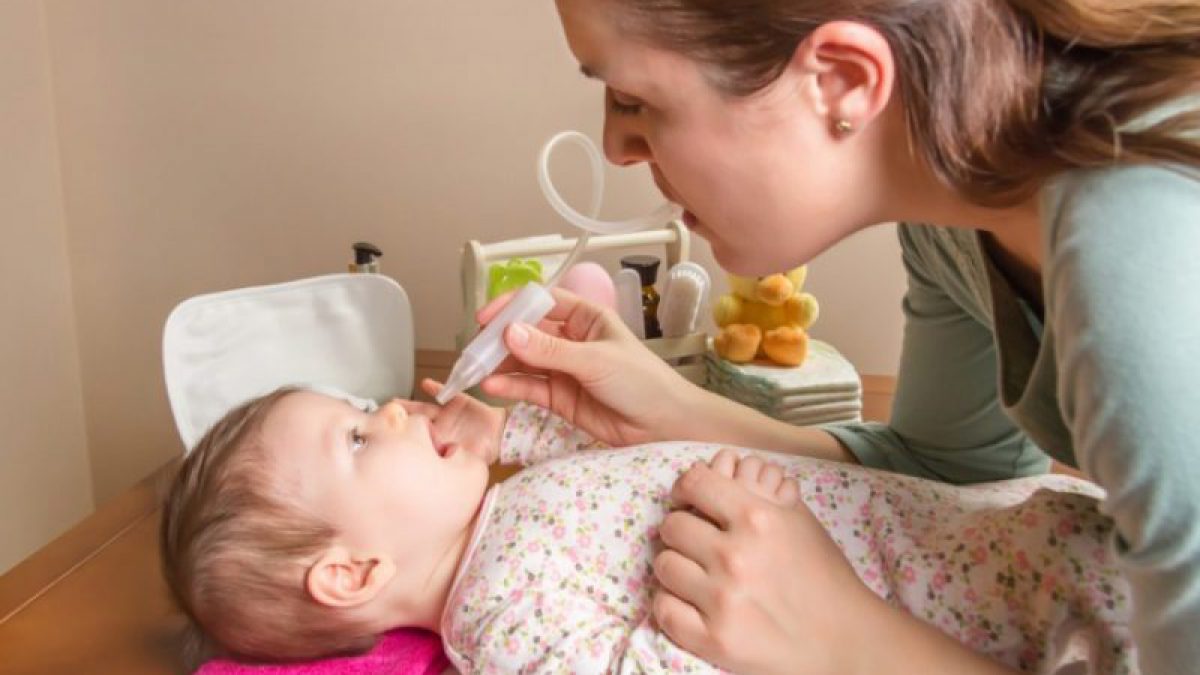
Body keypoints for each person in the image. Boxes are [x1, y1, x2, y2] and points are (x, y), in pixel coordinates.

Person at [474, 1, 1200, 672]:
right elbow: (945, 468)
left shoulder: (1146, 263)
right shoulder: (956, 224)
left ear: (842, 80)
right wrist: (670, 413)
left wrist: (844, 640)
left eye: (633, 100)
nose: (615, 146)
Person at [161, 383, 1130, 673]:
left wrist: (516, 419)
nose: (399, 414)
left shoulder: (503, 501)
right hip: (988, 615)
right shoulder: (501, 621)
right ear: (353, 572)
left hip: (997, 529)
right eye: (364, 438)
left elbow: (591, 450)